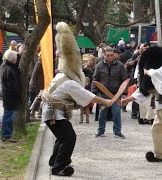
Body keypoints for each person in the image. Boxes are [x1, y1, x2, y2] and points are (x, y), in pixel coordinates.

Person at [41, 22, 113, 176]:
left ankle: (55, 161)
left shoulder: (62, 75)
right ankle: (58, 167)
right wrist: (106, 101)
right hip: (53, 113)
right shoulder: (69, 82)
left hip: (51, 111)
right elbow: (89, 97)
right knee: (69, 137)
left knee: (63, 137)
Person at [121, 46, 162, 168]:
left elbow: (161, 80)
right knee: (156, 129)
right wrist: (127, 100)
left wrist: (148, 72)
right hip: (161, 106)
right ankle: (160, 155)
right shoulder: (154, 75)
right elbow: (143, 91)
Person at [92, 46, 128, 139]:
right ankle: (100, 131)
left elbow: (124, 80)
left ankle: (117, 132)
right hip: (103, 93)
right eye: (108, 55)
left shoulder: (120, 65)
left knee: (116, 113)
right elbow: (95, 79)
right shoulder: (99, 65)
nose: (110, 57)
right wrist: (94, 92)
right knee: (102, 113)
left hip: (116, 94)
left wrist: (124, 93)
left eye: (111, 55)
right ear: (104, 55)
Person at [0, 50, 22, 143]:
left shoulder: (4, 65)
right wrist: (18, 95)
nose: (17, 60)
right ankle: (6, 135)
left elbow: (15, 65)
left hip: (7, 96)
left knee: (7, 115)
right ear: (13, 60)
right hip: (10, 97)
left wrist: (19, 55)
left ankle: (6, 135)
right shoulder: (10, 70)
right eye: (16, 59)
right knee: (9, 116)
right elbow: (13, 87)